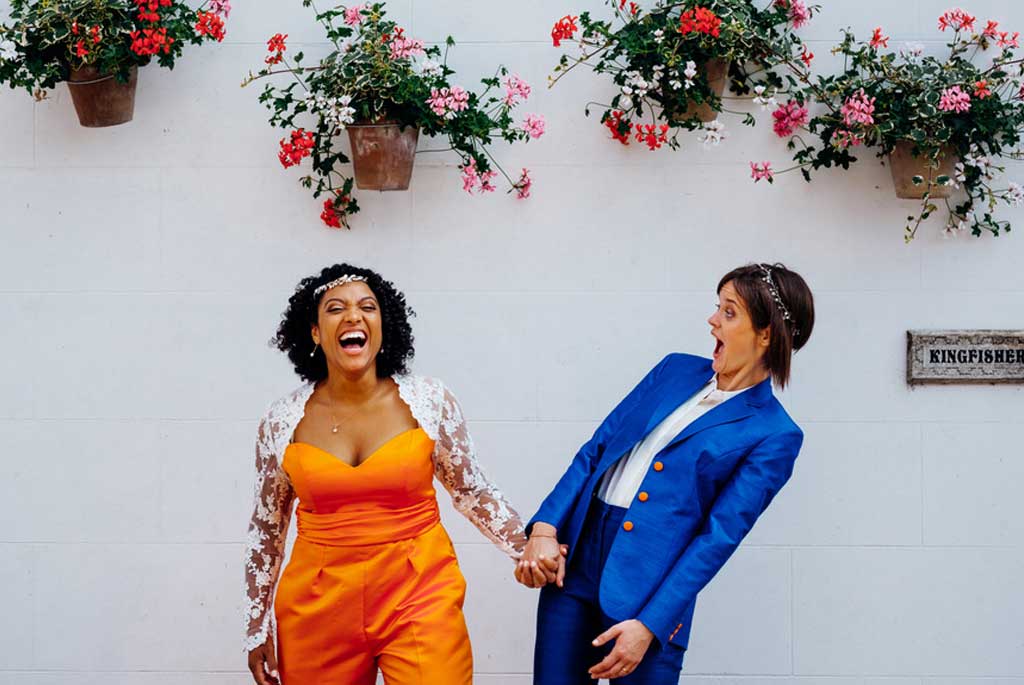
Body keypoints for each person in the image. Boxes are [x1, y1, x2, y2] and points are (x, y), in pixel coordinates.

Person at [516, 263, 815, 684]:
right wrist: (545, 528)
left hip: (650, 595)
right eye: (718, 308)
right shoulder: (673, 370)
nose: (713, 320)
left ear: (765, 335)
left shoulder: (775, 434)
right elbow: (596, 451)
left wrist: (650, 626)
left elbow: (717, 538)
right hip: (577, 565)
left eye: (729, 313)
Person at [244, 264, 527, 685]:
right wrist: (256, 625)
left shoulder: (429, 401)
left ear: (383, 324)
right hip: (317, 604)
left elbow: (471, 489)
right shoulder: (282, 419)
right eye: (335, 308)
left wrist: (528, 547)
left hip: (419, 590)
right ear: (316, 333)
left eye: (368, 307)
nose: (353, 317)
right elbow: (267, 528)